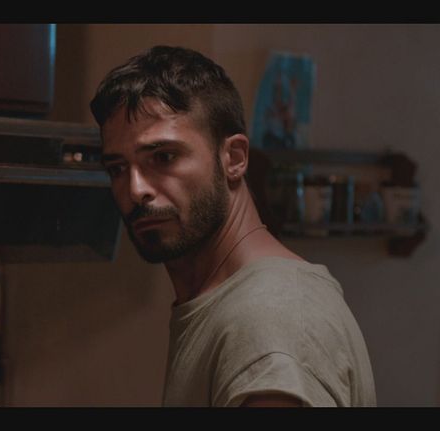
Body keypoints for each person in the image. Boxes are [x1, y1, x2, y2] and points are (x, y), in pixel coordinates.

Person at [90, 46, 376, 407]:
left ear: (234, 158)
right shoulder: (234, 304)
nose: (135, 189)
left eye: (163, 157)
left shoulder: (268, 320)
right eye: (117, 168)